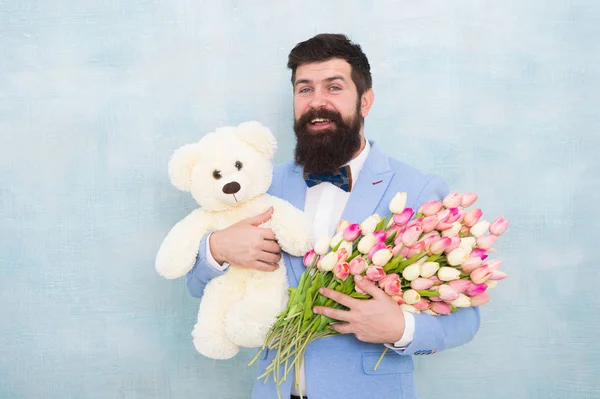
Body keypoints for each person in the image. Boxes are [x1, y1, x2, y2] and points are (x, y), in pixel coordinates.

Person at [186, 33, 481, 399]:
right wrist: (217, 249)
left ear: (366, 101)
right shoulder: (258, 184)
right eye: (304, 89)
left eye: (334, 87)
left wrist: (401, 328)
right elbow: (197, 286)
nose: (317, 102)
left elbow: (466, 319)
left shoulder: (419, 190)